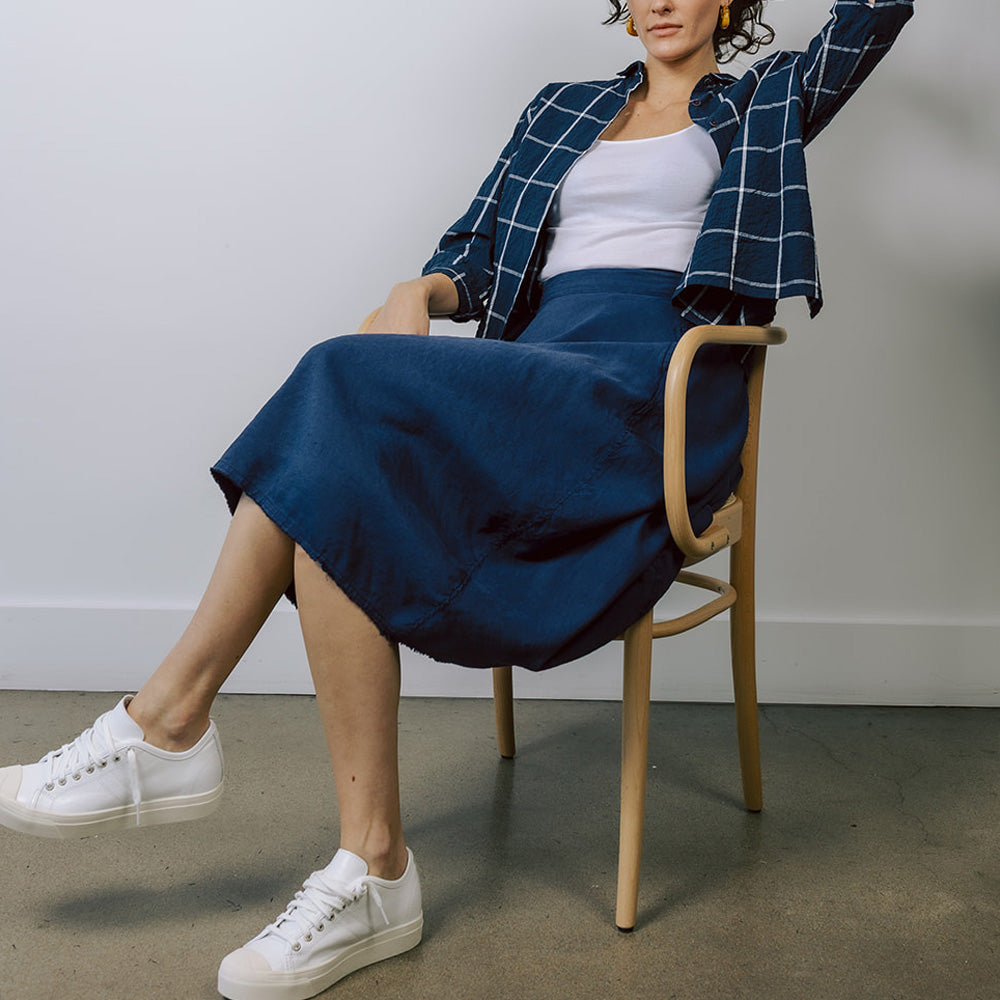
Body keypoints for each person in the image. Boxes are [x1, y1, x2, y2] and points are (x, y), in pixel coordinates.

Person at [0, 2, 913, 998]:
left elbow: (864, 23)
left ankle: (169, 722)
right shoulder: (561, 109)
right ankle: (368, 862)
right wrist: (420, 291)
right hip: (534, 373)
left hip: (648, 387)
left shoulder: (764, 102)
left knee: (335, 385)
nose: (660, 1)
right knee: (339, 461)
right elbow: (475, 252)